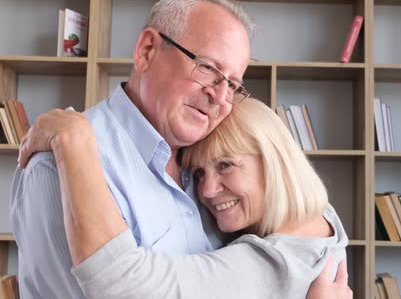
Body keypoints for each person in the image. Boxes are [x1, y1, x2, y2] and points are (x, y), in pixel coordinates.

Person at [11, 0, 351, 299]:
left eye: (232, 84)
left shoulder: (208, 160)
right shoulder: (58, 166)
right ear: (146, 50)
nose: (220, 97)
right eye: (207, 68)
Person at [18, 97, 350, 298]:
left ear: (275, 162)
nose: (205, 190)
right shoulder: (323, 220)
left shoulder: (267, 266)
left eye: (226, 165)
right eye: (200, 173)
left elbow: (117, 281)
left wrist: (74, 137)